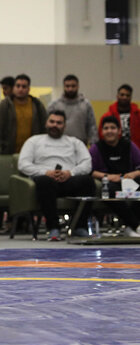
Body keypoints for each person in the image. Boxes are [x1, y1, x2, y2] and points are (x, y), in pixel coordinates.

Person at [18, 110, 94, 240]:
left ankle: (79, 227)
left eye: (59, 123)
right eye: (52, 121)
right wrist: (46, 172)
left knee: (88, 182)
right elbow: (23, 164)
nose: (55, 125)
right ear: (46, 123)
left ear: (64, 126)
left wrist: (70, 173)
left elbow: (87, 163)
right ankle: (53, 228)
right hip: (45, 181)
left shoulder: (74, 142)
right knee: (44, 181)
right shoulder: (34, 141)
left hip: (69, 180)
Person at [89, 116, 140, 237]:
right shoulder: (96, 148)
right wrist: (107, 176)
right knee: (109, 189)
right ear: (102, 132)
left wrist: (134, 174)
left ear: (119, 131)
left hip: (128, 182)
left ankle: (130, 227)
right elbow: (89, 170)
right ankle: (136, 225)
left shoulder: (129, 145)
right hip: (109, 183)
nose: (109, 131)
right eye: (106, 128)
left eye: (113, 128)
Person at [0, 74, 47, 155]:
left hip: (33, 151)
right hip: (9, 151)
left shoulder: (37, 104)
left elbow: (44, 128)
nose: (20, 89)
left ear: (29, 89)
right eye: (18, 86)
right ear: (13, 88)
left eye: (24, 87)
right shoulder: (5, 104)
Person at [47, 74, 98, 145]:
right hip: (57, 144)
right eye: (67, 86)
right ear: (63, 87)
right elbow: (47, 126)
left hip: (80, 145)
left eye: (73, 86)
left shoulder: (86, 105)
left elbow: (92, 126)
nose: (70, 89)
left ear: (78, 86)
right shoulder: (54, 105)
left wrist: (94, 145)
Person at [99, 84, 140, 149]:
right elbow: (101, 135)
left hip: (135, 150)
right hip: (113, 150)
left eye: (127, 95)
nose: (124, 97)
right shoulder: (107, 116)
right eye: (122, 95)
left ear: (131, 97)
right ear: (117, 96)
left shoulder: (138, 115)